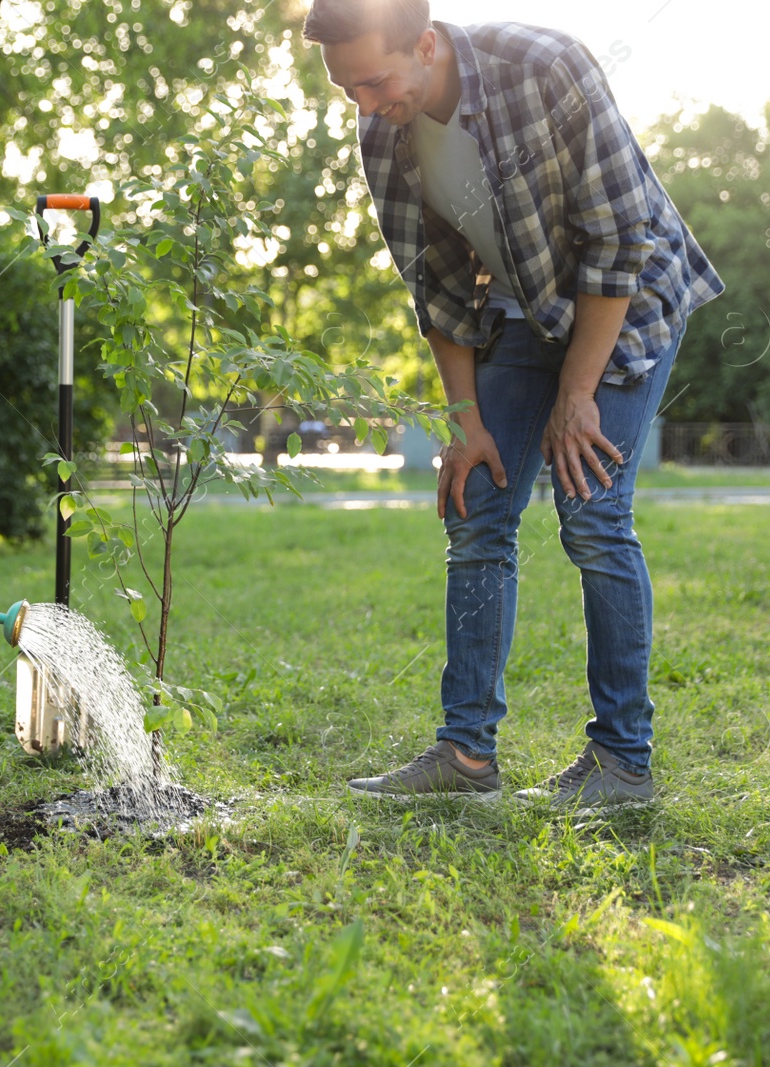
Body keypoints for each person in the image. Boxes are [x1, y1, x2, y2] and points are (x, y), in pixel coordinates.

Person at [304, 0, 722, 808]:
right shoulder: (383, 132)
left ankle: (622, 762)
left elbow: (619, 239)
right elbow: (438, 286)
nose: (365, 105)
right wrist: (465, 426)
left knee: (592, 508)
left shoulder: (545, 66)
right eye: (346, 90)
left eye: (375, 82)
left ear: (425, 45)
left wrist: (577, 396)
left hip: (624, 299)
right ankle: (465, 756)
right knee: (478, 505)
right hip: (522, 308)